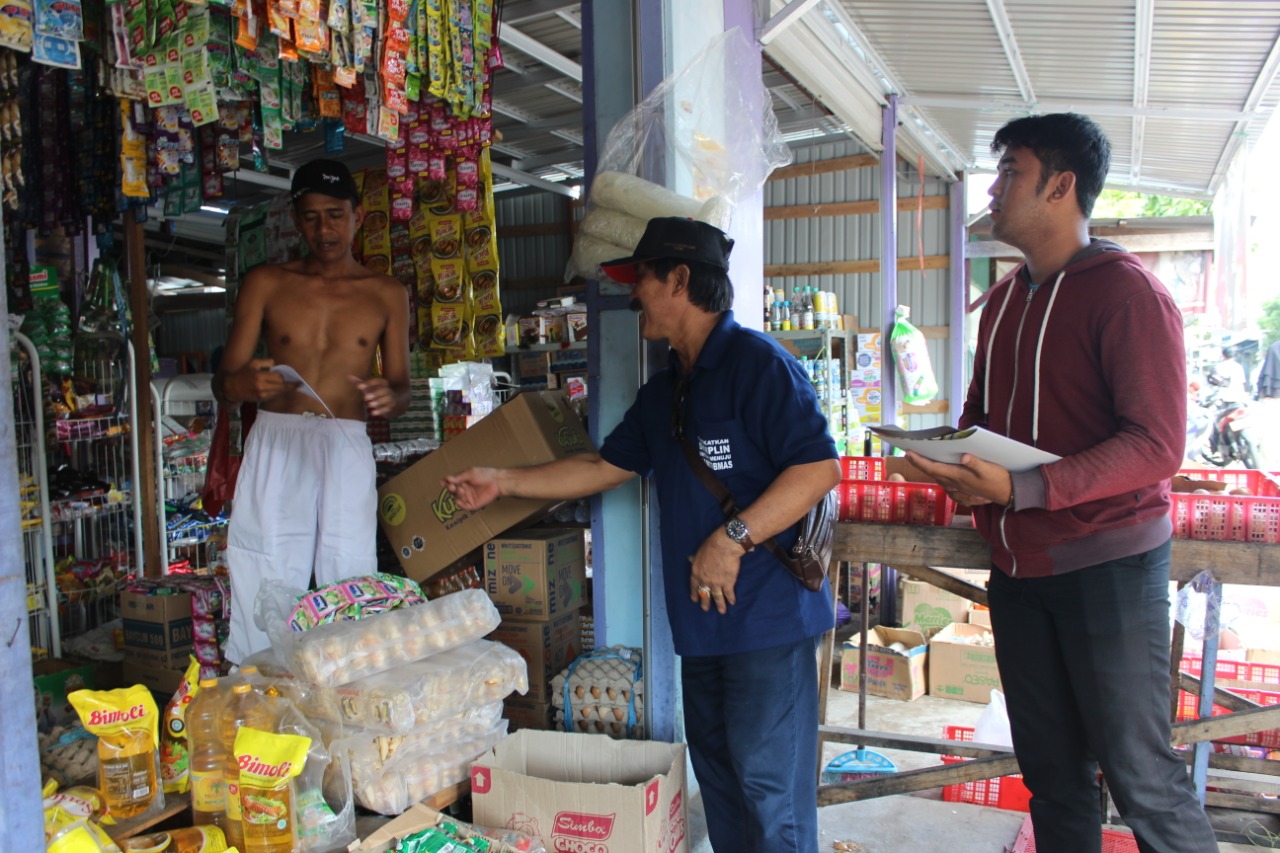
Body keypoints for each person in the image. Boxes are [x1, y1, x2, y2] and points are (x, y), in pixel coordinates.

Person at [443, 217, 840, 852]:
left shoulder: (758, 366)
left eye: (644, 280)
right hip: (702, 626)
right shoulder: (668, 389)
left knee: (770, 790)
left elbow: (819, 468)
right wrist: (503, 480)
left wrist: (731, 538)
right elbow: (605, 466)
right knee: (722, 781)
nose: (633, 296)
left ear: (681, 280)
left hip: (768, 622)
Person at [906, 114, 1219, 853]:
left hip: (1108, 565)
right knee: (1051, 775)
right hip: (1018, 569)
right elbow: (977, 417)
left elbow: (1155, 444)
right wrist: (946, 465)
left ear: (1061, 185)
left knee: (1142, 775)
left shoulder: (1127, 294)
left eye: (1010, 170)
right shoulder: (1007, 301)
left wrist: (1027, 490)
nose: (994, 186)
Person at [213, 158, 411, 664]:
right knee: (266, 563)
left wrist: (392, 397)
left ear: (357, 216)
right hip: (278, 436)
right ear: (295, 220)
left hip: (345, 441)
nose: (324, 229)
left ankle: (350, 687)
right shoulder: (265, 283)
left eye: (335, 214)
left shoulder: (386, 293)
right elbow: (224, 382)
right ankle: (260, 689)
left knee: (350, 566)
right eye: (311, 216)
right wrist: (245, 383)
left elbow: (402, 386)